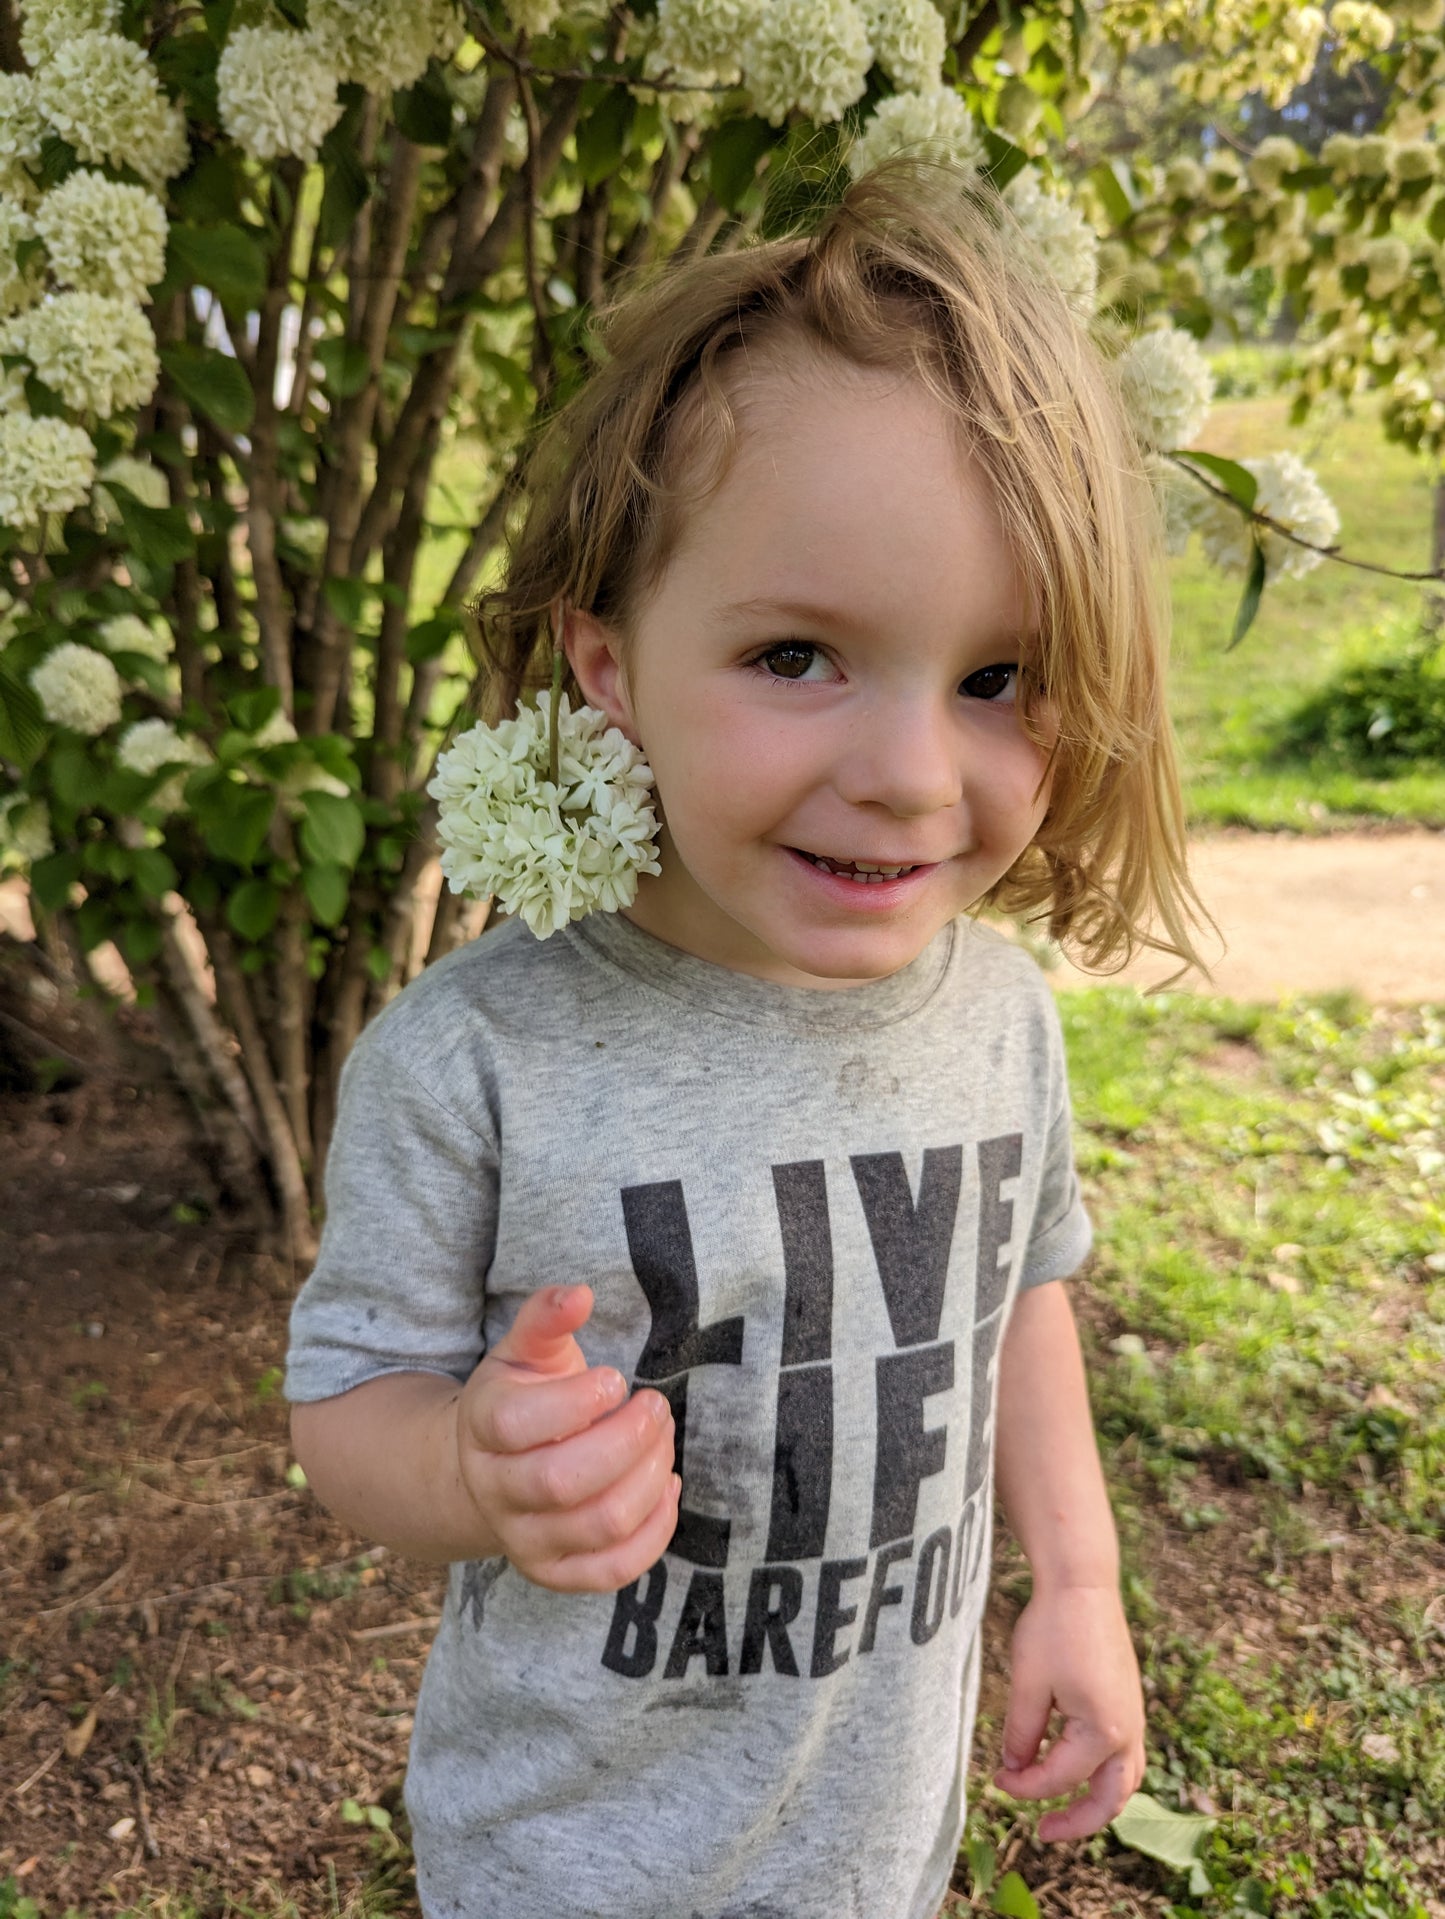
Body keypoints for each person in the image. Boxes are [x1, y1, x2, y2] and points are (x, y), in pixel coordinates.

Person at [285, 164, 1203, 1919]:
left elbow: (1019, 1291)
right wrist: (468, 1469)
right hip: (565, 1856)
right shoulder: (478, 1055)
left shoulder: (995, 1016)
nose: (910, 774)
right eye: (798, 655)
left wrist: (1075, 1581)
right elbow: (347, 1404)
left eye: (996, 679)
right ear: (609, 666)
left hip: (871, 1843)